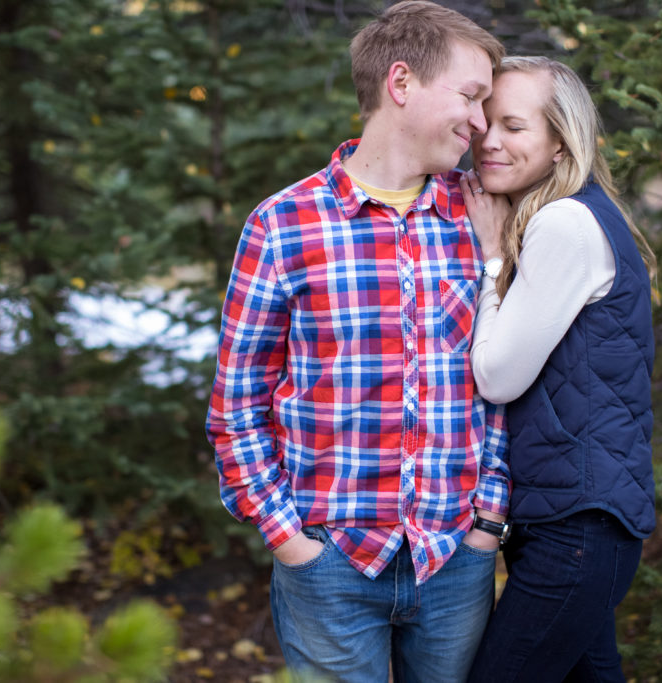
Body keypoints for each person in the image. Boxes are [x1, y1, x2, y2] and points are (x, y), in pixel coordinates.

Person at [206, 3, 511, 681]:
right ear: (401, 83)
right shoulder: (282, 225)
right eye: (470, 95)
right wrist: (287, 539)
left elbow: (506, 378)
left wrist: (488, 521)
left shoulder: (483, 214)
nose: (482, 122)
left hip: (453, 558)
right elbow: (236, 408)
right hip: (329, 562)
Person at [459, 55, 658, 683]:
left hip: (576, 530)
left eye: (514, 126)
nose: (489, 139)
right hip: (580, 525)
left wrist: (490, 260)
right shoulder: (578, 213)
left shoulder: (565, 222)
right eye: (485, 121)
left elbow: (496, 377)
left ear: (558, 141)